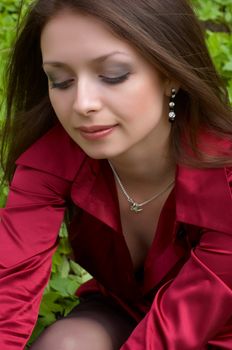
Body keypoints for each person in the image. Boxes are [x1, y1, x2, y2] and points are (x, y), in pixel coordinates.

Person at [0, 0, 232, 349]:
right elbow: (8, 286)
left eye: (113, 75)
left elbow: (185, 324)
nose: (82, 103)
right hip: (123, 310)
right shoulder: (53, 158)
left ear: (170, 74)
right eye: (60, 81)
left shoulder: (224, 178)